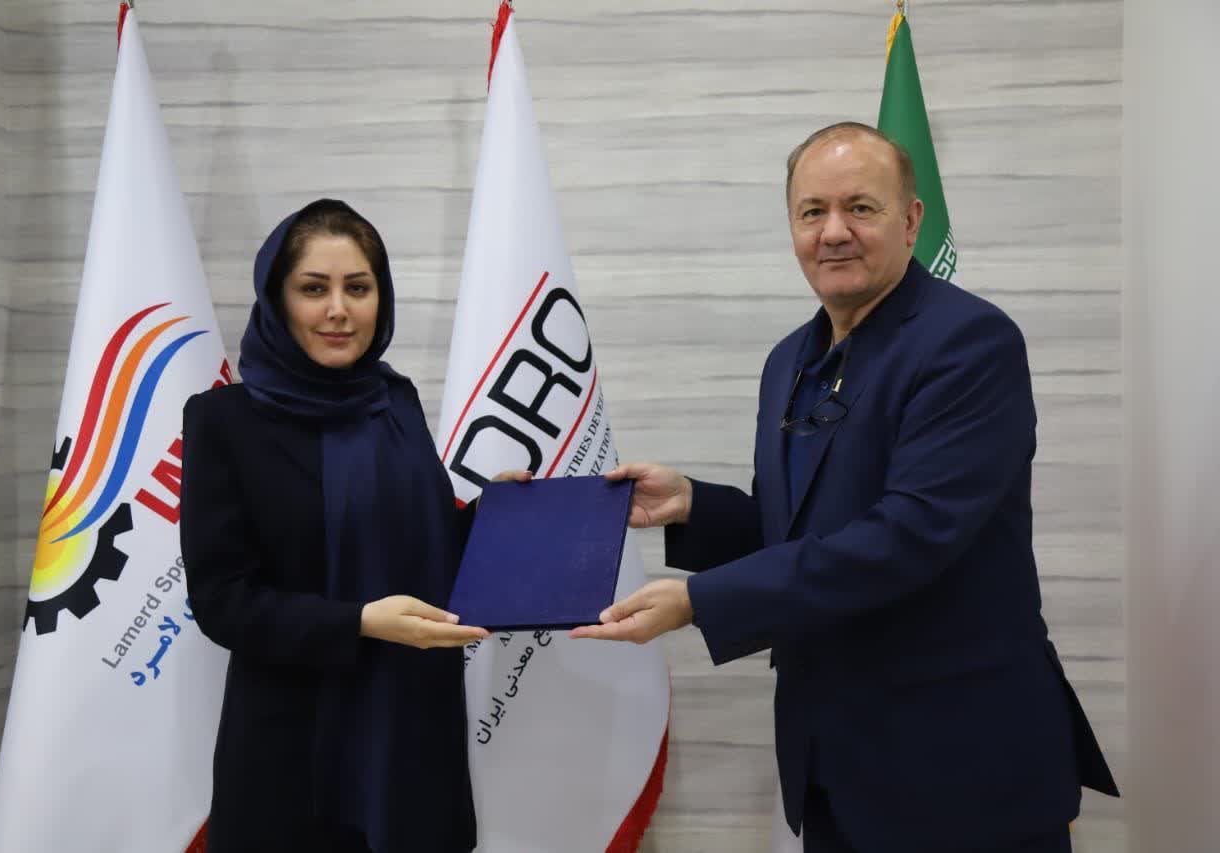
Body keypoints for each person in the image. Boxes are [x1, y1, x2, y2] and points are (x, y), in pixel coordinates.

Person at [572, 123, 1118, 852]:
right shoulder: (788, 359)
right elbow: (800, 530)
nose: (833, 232)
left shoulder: (969, 343)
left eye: (860, 207)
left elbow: (907, 537)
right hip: (832, 763)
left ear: (912, 220)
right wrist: (694, 505)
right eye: (812, 211)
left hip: (962, 769)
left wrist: (698, 602)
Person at [181, 199, 525, 853]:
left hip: (414, 740)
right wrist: (360, 622)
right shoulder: (224, 421)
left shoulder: (395, 402)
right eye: (314, 288)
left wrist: (495, 517)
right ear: (278, 299)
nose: (339, 310)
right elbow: (223, 601)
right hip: (293, 760)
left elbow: (425, 546)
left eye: (358, 288)